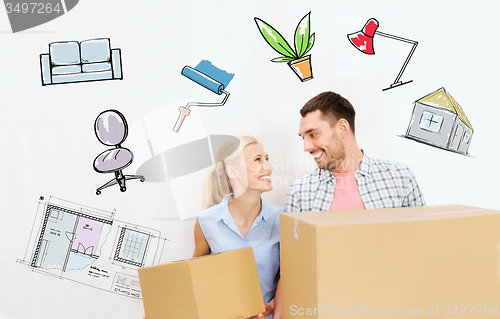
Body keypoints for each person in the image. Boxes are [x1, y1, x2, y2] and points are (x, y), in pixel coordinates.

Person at [286, 91, 425, 213]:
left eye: (313, 134)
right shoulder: (299, 192)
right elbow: (294, 243)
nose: (306, 147)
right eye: (303, 138)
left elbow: (423, 236)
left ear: (342, 128)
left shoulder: (400, 178)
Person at [194, 136, 282, 319]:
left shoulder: (283, 220)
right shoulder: (206, 222)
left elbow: (292, 277)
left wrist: (272, 306)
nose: (268, 166)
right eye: (257, 160)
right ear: (232, 171)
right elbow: (195, 280)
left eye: (267, 159)